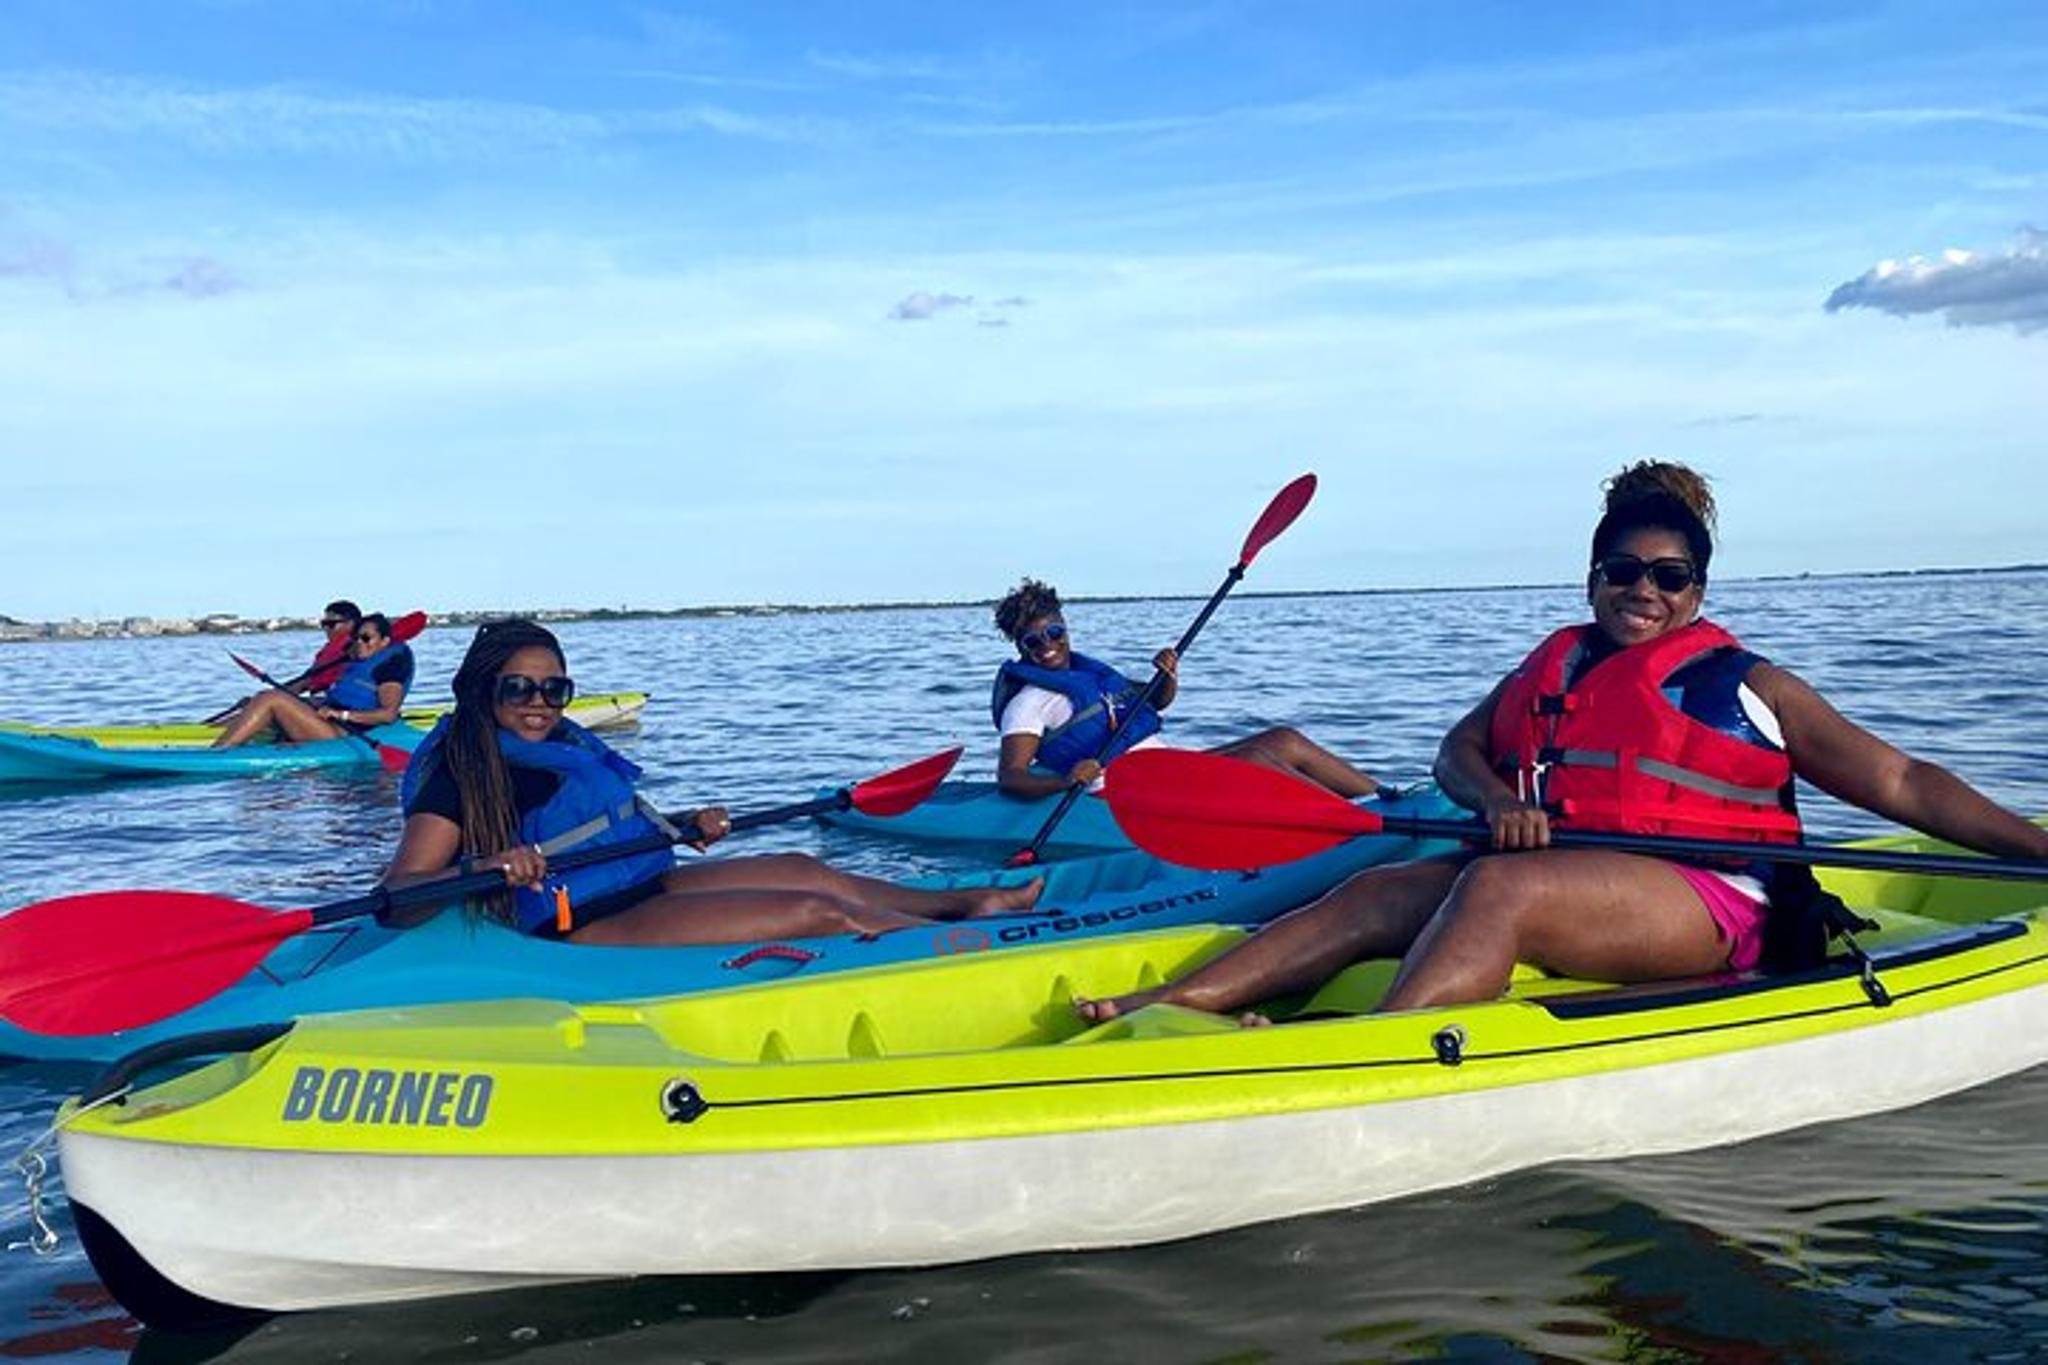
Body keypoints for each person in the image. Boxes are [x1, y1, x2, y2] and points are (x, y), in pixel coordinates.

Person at [1078, 461, 2048, 1022]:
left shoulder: (1745, 686)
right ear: (1590, 580)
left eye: (1668, 577)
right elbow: (1453, 754)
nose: (1643, 589)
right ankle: (1168, 1007)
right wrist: (1498, 802)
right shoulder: (1556, 668)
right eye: (1621, 570)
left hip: (1725, 903)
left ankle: (1372, 1053)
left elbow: (1903, 781)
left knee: (1500, 888)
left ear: (1696, 595)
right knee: (1377, 889)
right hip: (1587, 875)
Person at [383, 618, 1044, 944]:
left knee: (804, 867)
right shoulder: (460, 768)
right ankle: (962, 944)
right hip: (579, 923)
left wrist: (680, 825)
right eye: (519, 687)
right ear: (481, 688)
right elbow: (403, 891)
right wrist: (487, 863)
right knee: (816, 914)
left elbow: (592, 825)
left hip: (637, 880)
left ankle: (968, 902)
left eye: (555, 688)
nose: (539, 701)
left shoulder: (557, 741)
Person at [992, 578, 1378, 800]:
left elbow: (1154, 704)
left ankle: (1386, 801)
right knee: (1257, 759)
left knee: (1284, 740)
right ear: (1019, 646)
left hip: (1165, 770)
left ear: (1065, 628)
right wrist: (1065, 781)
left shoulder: (1089, 674)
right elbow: (1010, 776)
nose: (1048, 646)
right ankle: (1360, 825)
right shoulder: (1028, 704)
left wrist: (1168, 676)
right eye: (1033, 642)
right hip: (1126, 796)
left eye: (1054, 633)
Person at [212, 611, 414, 748]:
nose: (359, 643)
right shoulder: (360, 660)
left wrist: (341, 714)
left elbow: (388, 714)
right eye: (357, 638)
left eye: (366, 638)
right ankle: (217, 734)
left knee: (270, 699)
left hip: (344, 734)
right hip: (330, 721)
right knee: (263, 699)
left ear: (384, 641)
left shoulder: (391, 666)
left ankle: (216, 754)